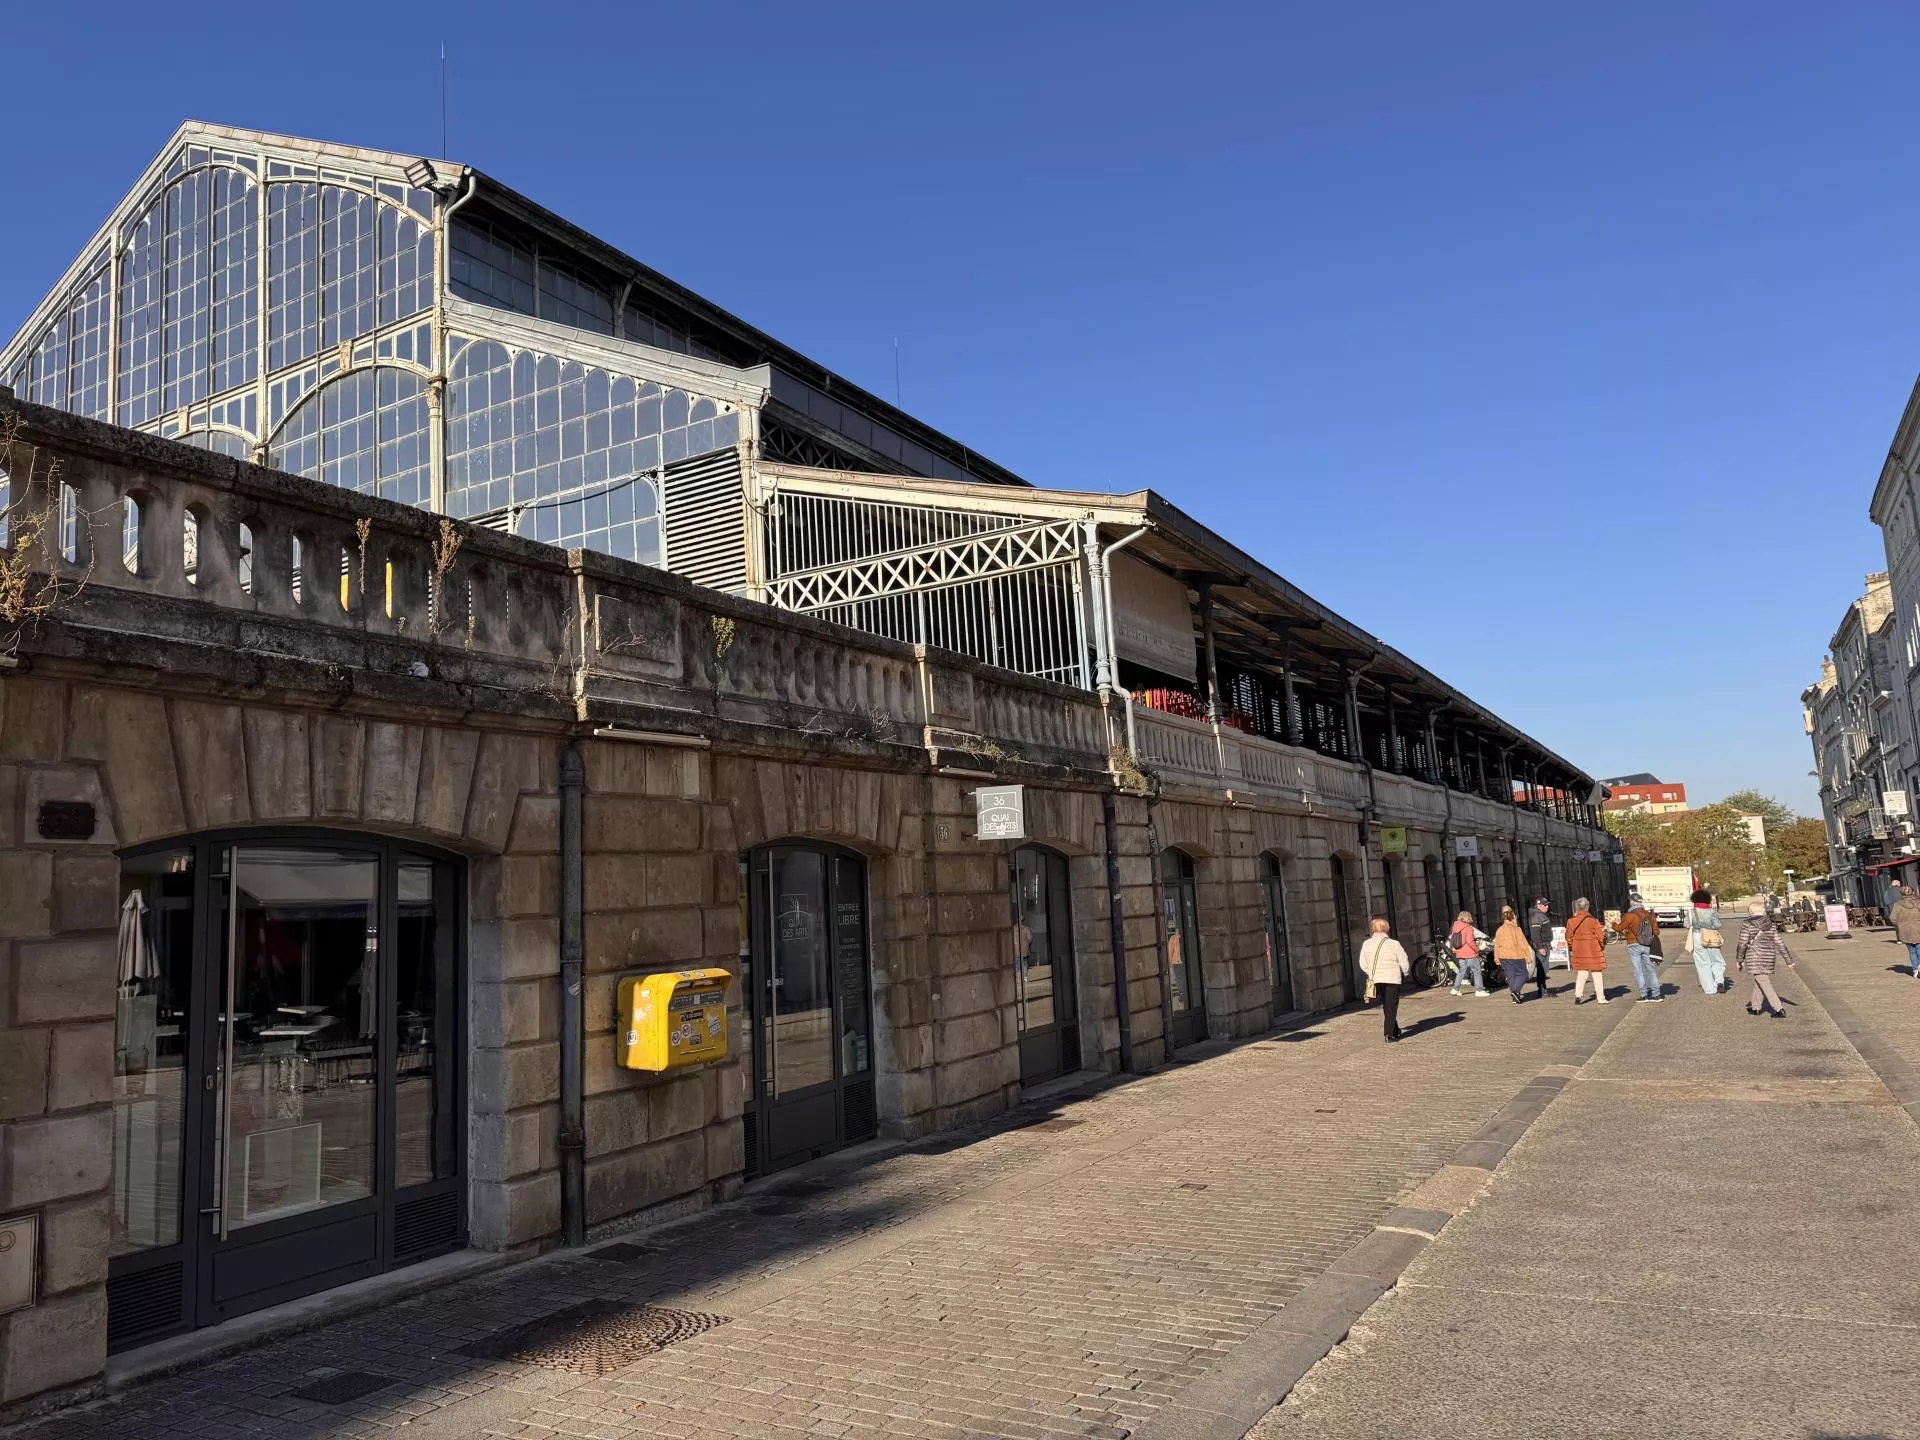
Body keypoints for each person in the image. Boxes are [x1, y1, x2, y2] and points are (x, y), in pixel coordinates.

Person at [1736, 899, 1795, 1018]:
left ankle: (1778, 1009)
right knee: (1760, 980)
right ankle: (1756, 1007)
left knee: (1764, 982)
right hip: (1769, 956)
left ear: (1750, 912)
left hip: (1754, 957)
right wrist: (1788, 960)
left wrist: (1739, 959)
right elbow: (1779, 943)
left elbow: (1743, 943)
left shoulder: (1747, 924)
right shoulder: (1770, 924)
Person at [1359, 916, 1411, 1043]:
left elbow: (1363, 963)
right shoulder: (1394, 944)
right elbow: (1403, 961)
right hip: (1392, 978)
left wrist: (1371, 973)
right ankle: (1389, 1034)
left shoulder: (1367, 944)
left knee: (1387, 1005)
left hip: (1376, 978)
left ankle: (1395, 1030)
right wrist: (1405, 973)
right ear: (1386, 929)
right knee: (1391, 1005)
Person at [1613, 897, 1664, 1001]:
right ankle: (1656, 995)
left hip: (1633, 945)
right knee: (1651, 970)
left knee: (1638, 971)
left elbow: (1619, 928)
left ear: (1632, 903)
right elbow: (1657, 931)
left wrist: (1613, 924)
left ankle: (1644, 995)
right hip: (1648, 945)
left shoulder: (1629, 916)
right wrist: (1648, 936)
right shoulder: (1649, 915)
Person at [1566, 897, 1609, 1004]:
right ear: (1588, 907)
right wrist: (1601, 946)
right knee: (1597, 974)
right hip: (1593, 950)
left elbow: (1568, 937)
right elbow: (1601, 936)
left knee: (1582, 973)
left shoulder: (1571, 921)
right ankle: (1601, 998)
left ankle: (1578, 994)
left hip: (1579, 950)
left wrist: (1573, 946)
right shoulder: (1593, 921)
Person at [1686, 887, 1728, 995]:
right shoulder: (1711, 911)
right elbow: (1718, 925)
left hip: (1697, 936)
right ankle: (1719, 981)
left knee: (1702, 964)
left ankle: (1709, 989)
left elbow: (1686, 925)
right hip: (1711, 937)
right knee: (1717, 960)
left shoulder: (1691, 912)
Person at [1492, 905, 1533, 1002]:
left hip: (1504, 956)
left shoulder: (1500, 930)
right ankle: (1515, 991)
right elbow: (1523, 945)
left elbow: (1496, 945)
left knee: (1511, 976)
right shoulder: (1517, 929)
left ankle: (1515, 996)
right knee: (1523, 974)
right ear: (1513, 918)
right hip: (1517, 955)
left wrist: (1496, 958)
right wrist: (1528, 957)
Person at [1448, 911, 1488, 996]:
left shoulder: (1455, 926)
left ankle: (1455, 989)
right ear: (1467, 918)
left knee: (1461, 971)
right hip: (1470, 953)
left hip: (1460, 952)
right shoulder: (1468, 927)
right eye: (1469, 917)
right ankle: (1479, 990)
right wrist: (1476, 949)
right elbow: (1470, 941)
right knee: (1476, 971)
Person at [1527, 896, 1555, 998]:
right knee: (1542, 969)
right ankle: (1542, 990)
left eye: (1547, 905)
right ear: (1539, 906)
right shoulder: (1537, 916)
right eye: (1545, 905)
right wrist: (1540, 947)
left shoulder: (1539, 915)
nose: (1547, 907)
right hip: (1542, 946)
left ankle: (1542, 989)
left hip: (1545, 944)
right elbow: (1535, 935)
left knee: (1543, 968)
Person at [1892, 885, 1920, 979]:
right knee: (1919, 949)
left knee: (1912, 951)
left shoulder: (1898, 904)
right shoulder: (1918, 903)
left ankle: (1915, 970)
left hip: (1905, 930)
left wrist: (1900, 924)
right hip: (1918, 928)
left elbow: (1893, 918)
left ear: (1901, 893)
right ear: (1912, 892)